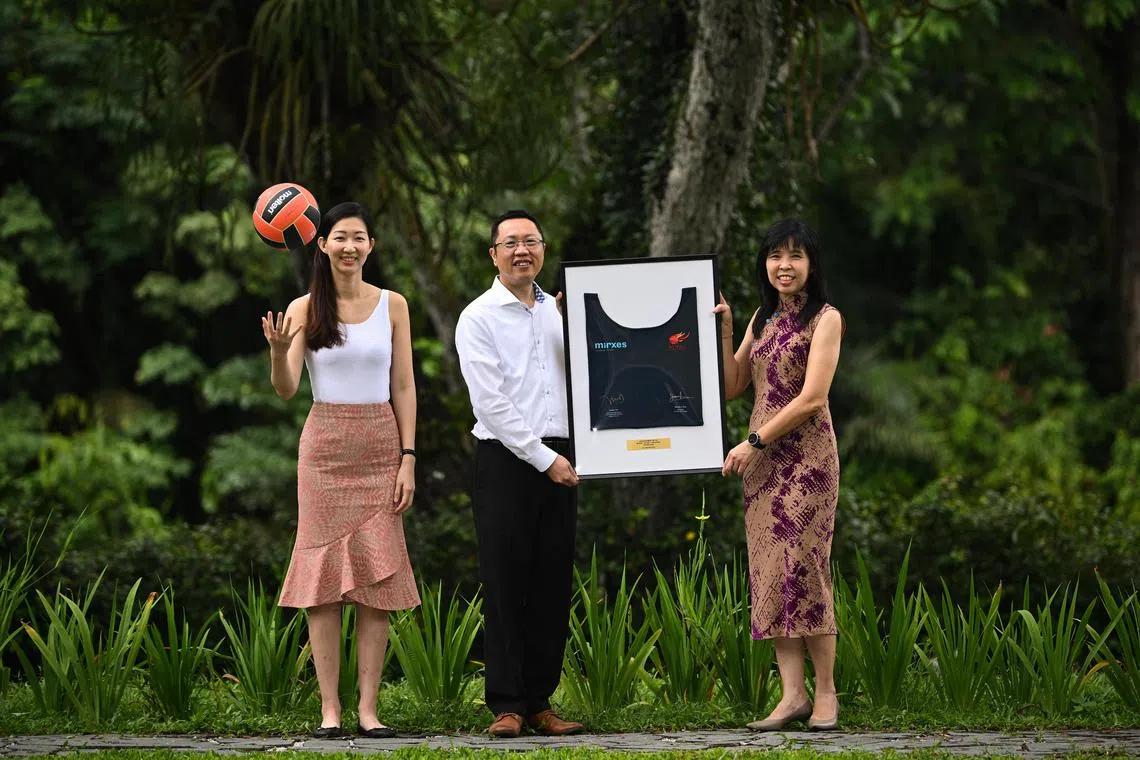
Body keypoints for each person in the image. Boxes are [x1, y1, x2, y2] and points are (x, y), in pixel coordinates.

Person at [261, 201, 420, 739]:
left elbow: (403, 386)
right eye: (339, 238)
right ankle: (330, 710)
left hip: (380, 445)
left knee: (378, 582)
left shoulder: (393, 305)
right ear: (322, 245)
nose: (349, 246)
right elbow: (286, 390)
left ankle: (368, 711)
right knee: (323, 584)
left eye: (359, 237)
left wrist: (408, 458)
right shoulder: (304, 308)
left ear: (371, 246)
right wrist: (279, 353)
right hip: (324, 448)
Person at [454, 209, 584, 739]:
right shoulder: (477, 317)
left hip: (564, 454)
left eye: (530, 241)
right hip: (508, 459)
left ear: (544, 250)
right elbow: (490, 404)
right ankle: (506, 705)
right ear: (493, 254)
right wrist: (542, 458)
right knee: (505, 581)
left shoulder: (563, 312)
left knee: (552, 581)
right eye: (510, 243)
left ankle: (539, 702)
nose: (521, 250)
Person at [715, 217, 844, 732]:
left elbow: (812, 398)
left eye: (795, 256)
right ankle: (792, 696)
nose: (783, 266)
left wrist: (753, 441)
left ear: (812, 264)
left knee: (806, 568)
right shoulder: (761, 318)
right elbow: (733, 384)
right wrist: (726, 328)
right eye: (775, 256)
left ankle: (827, 694)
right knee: (772, 574)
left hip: (807, 462)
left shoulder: (826, 318)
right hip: (763, 465)